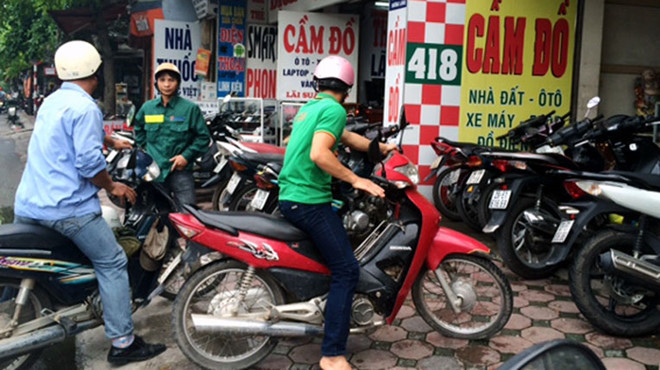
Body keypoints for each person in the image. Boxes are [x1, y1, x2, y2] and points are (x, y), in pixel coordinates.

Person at [13, 40, 166, 365]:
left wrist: (108, 138)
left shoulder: (52, 102)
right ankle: (124, 344)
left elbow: (63, 136)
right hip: (65, 208)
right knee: (112, 262)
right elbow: (88, 165)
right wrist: (114, 186)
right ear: (95, 74)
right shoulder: (86, 108)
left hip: (30, 202)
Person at [278, 55, 397, 370]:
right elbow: (320, 153)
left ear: (318, 83)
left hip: (290, 197)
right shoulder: (333, 109)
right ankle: (332, 355)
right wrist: (357, 179)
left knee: (320, 260)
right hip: (308, 201)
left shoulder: (311, 108)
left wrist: (378, 148)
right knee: (347, 270)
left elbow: (345, 137)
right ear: (347, 87)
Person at [133, 63, 210, 206]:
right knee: (158, 213)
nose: (167, 84)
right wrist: (148, 151)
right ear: (156, 83)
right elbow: (139, 130)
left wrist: (185, 157)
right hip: (154, 171)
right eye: (162, 80)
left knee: (188, 215)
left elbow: (203, 138)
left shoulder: (190, 109)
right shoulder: (147, 108)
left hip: (180, 171)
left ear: (178, 83)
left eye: (171, 80)